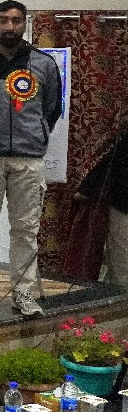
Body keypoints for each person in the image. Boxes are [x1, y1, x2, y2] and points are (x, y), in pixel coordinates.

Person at [0, 0, 63, 318]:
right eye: (3, 20)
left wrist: (35, 134)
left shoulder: (44, 64)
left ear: (25, 24)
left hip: (28, 159)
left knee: (25, 230)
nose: (9, 26)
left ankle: (23, 292)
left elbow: (51, 108)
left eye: (16, 20)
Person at [75, 114, 128, 286]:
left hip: (122, 203)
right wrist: (88, 188)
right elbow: (113, 159)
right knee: (122, 267)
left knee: (122, 267)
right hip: (123, 203)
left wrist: (87, 188)